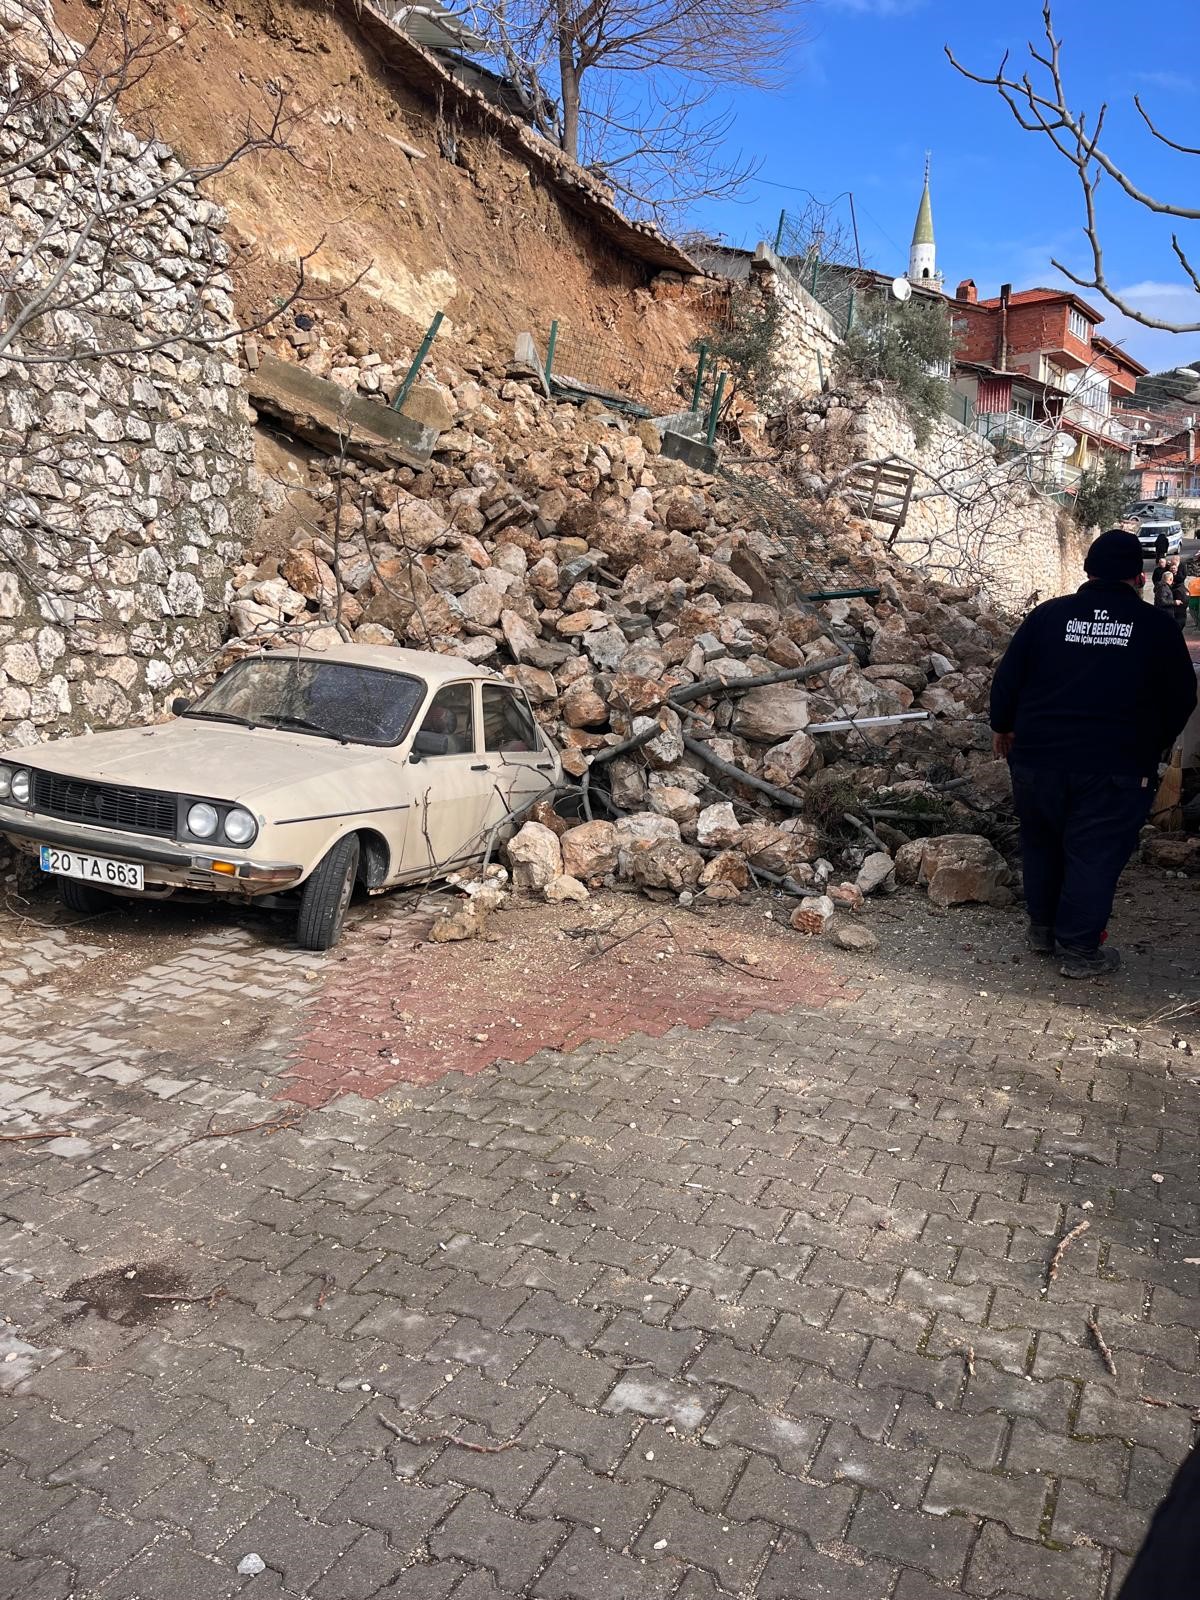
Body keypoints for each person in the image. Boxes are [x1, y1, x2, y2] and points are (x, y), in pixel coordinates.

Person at [989, 528, 1197, 978]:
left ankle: (1043, 929)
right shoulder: (1156, 626)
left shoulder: (1049, 616)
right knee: (1094, 852)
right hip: (1116, 765)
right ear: (1138, 577)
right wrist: (1155, 742)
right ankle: (1080, 950)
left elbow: (1008, 678)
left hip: (1038, 758)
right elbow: (1183, 695)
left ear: (1087, 571)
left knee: (1042, 843)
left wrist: (1002, 726)